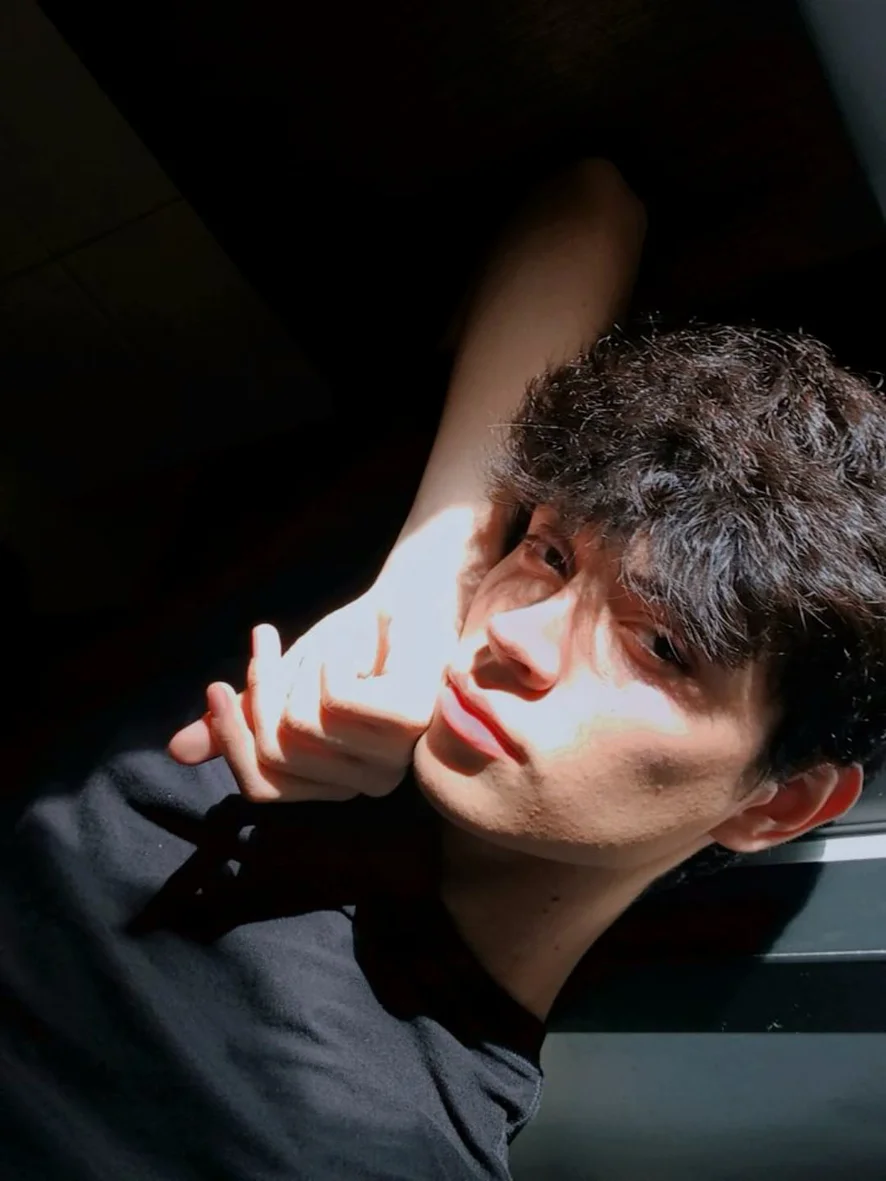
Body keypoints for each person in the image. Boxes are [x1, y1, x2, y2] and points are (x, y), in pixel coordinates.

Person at [3, 159, 885, 1180]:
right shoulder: (382, 640)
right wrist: (436, 567)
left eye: (660, 646)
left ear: (776, 806)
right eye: (550, 553)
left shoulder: (380, 1145)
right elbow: (591, 202)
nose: (519, 637)